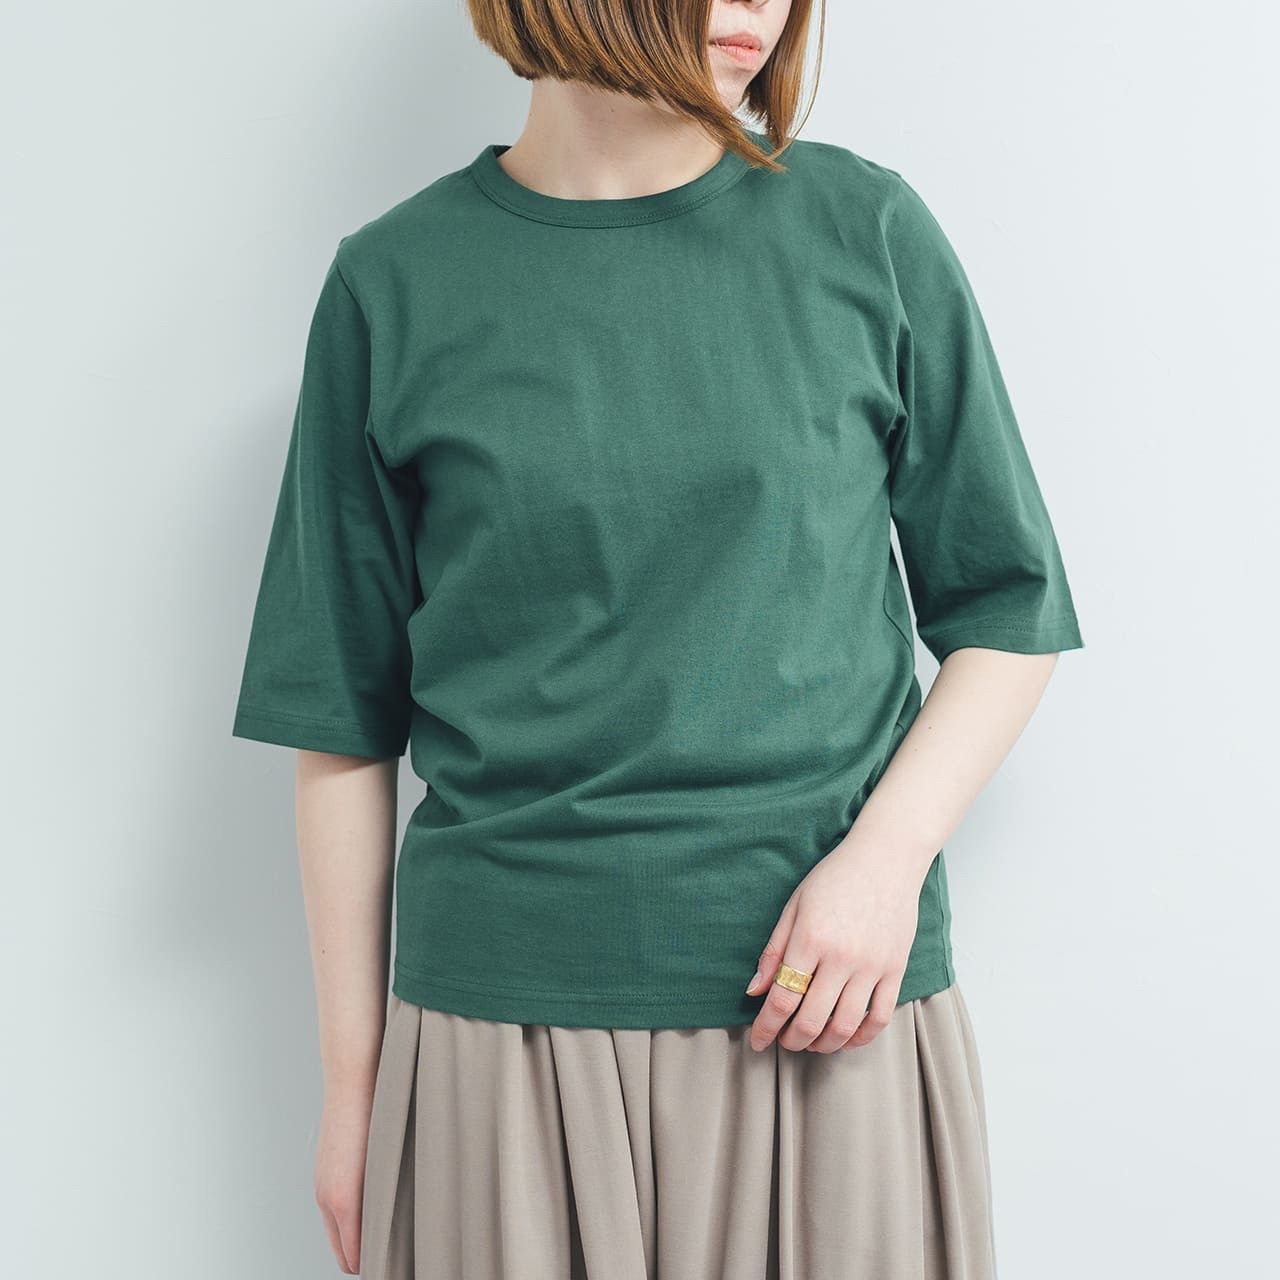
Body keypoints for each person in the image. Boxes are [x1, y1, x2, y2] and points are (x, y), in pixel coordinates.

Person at [231, 0, 1084, 1275]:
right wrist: (352, 1092)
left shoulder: (862, 229)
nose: (762, 6)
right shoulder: (393, 281)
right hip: (499, 1029)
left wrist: (883, 864)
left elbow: (1007, 609)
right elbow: (340, 720)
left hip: (827, 1007)